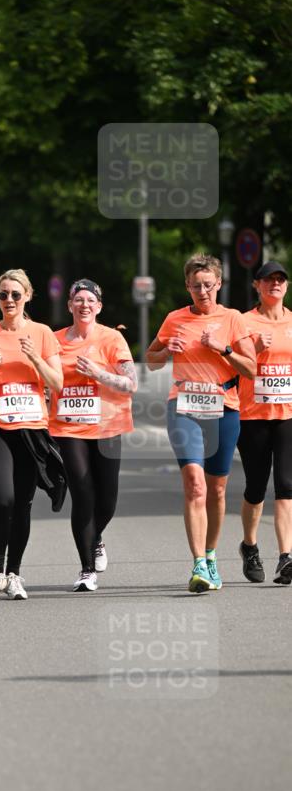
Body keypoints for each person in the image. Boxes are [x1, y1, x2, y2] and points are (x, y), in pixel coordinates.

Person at [146, 253, 256, 592]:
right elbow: (150, 360)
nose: (203, 291)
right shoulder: (174, 319)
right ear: (187, 287)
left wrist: (221, 348)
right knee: (195, 483)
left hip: (224, 406)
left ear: (219, 284)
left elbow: (250, 369)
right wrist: (166, 353)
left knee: (217, 489)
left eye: (208, 285)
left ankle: (210, 556)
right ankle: (197, 564)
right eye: (196, 286)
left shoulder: (234, 319)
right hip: (185, 405)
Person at [0, 269, 64, 602]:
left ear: (28, 296)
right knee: (2, 499)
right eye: (3, 295)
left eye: (15, 295)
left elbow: (57, 383)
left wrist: (35, 358)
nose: (8, 301)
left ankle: (14, 574)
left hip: (32, 430)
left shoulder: (43, 333)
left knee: (23, 504)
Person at [48, 279, 137, 592]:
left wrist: (98, 373)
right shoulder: (54, 339)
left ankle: (95, 537)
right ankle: (86, 569)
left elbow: (131, 383)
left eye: (90, 300)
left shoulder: (112, 338)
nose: (84, 305)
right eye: (78, 300)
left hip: (108, 426)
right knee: (82, 494)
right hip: (68, 427)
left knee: (107, 501)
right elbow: (45, 377)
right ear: (70, 305)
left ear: (99, 306)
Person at [236, 261, 292, 585]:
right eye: (269, 279)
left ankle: (286, 557)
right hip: (253, 415)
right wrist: (254, 349)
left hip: (287, 415)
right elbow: (230, 366)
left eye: (281, 279)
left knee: (286, 485)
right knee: (256, 488)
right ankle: (250, 546)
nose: (276, 283)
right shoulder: (244, 322)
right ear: (257, 285)